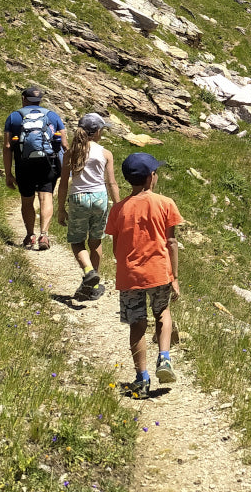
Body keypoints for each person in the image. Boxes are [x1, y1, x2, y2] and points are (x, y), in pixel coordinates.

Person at [105, 152, 182, 398]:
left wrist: (126, 266)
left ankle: (142, 377)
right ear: (151, 177)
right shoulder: (166, 203)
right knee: (162, 312)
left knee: (136, 323)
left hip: (130, 275)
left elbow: (116, 246)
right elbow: (171, 242)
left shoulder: (118, 209)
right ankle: (165, 357)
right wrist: (175, 276)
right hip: (159, 271)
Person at [57, 113, 120, 300]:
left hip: (78, 198)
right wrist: (118, 206)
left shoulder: (71, 152)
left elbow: (62, 183)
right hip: (100, 198)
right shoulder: (105, 153)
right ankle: (94, 284)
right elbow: (112, 183)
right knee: (96, 241)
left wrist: (61, 208)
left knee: (77, 241)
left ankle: (89, 272)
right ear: (98, 131)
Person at [3, 86, 66, 250]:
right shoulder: (52, 115)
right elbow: (64, 144)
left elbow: (7, 146)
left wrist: (8, 173)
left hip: (24, 164)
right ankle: (44, 235)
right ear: (40, 100)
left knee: (27, 200)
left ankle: (30, 235)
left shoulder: (14, 117)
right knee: (46, 197)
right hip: (48, 163)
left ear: (24, 99)